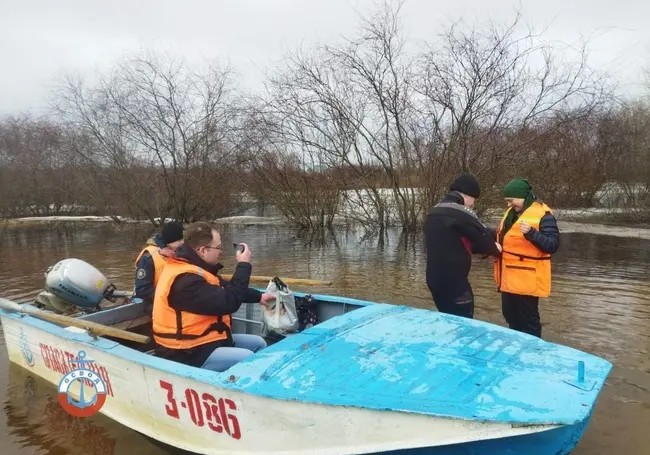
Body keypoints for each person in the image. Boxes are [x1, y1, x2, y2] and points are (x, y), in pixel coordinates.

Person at [151, 221, 275, 372]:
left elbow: (226, 286)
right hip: (184, 351)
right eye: (218, 247)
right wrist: (243, 265)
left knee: (258, 343)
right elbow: (229, 302)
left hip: (204, 341)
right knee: (246, 357)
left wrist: (259, 297)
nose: (221, 251)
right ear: (202, 250)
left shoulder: (195, 268)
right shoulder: (185, 281)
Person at [424, 174, 502, 319]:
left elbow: (457, 243)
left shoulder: (434, 211)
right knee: (465, 321)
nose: (472, 204)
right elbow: (485, 240)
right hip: (455, 282)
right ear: (467, 195)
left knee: (448, 319)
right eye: (473, 199)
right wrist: (495, 248)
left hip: (433, 280)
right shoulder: (462, 212)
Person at [493, 178, 560, 338]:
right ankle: (516, 348)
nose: (509, 205)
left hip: (527, 279)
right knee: (510, 316)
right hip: (508, 278)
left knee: (529, 321)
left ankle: (533, 354)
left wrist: (532, 234)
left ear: (523, 197)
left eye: (511, 200)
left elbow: (552, 245)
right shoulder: (510, 214)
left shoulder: (544, 215)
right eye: (507, 201)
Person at [134, 221, 184, 314]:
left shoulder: (180, 252)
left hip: (176, 296)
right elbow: (142, 290)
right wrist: (169, 297)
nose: (182, 242)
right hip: (154, 301)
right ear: (170, 241)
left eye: (183, 239)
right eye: (179, 240)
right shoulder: (148, 257)